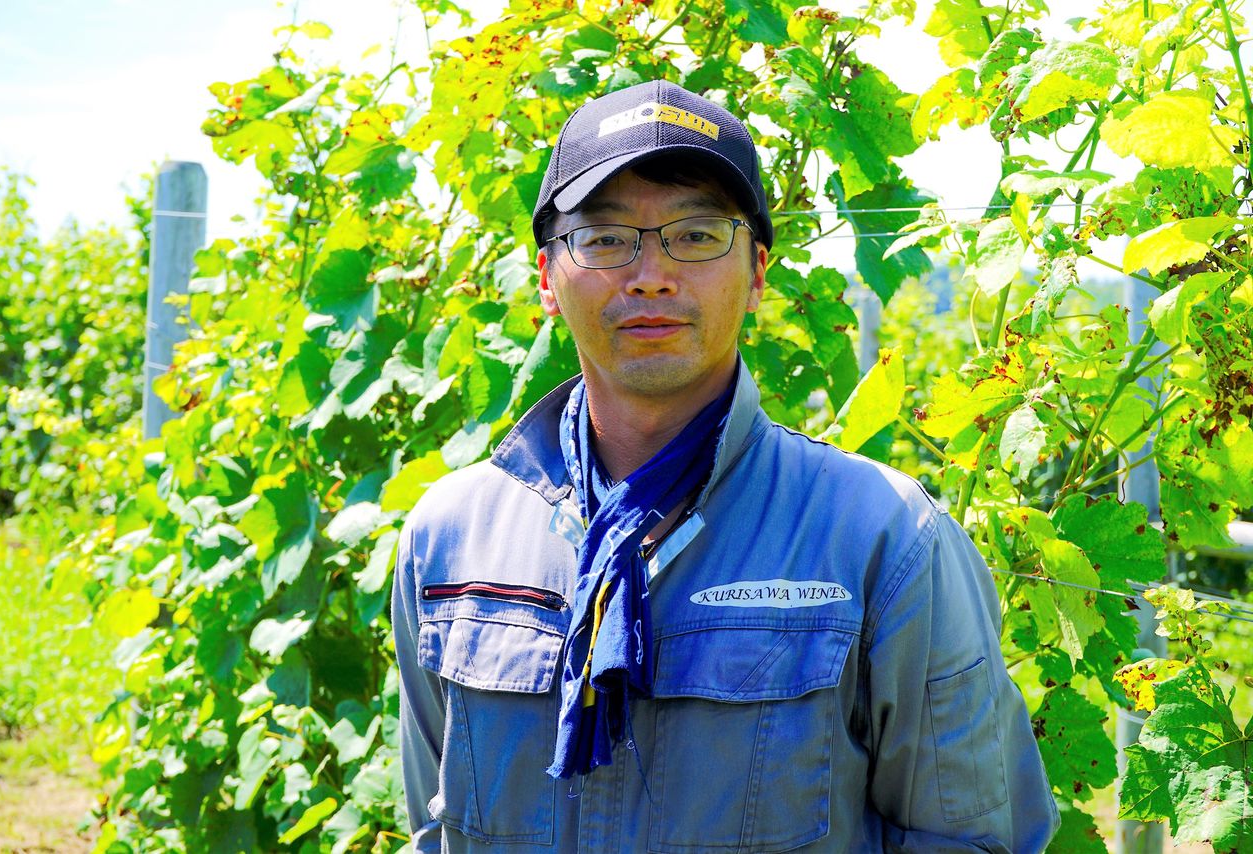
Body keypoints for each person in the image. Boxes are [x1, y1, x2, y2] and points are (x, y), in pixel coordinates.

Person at [391, 79, 1059, 853]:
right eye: (604, 239)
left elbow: (972, 840)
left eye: (698, 235)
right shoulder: (451, 539)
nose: (650, 274)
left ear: (758, 273)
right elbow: (435, 831)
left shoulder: (884, 539)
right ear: (546, 276)